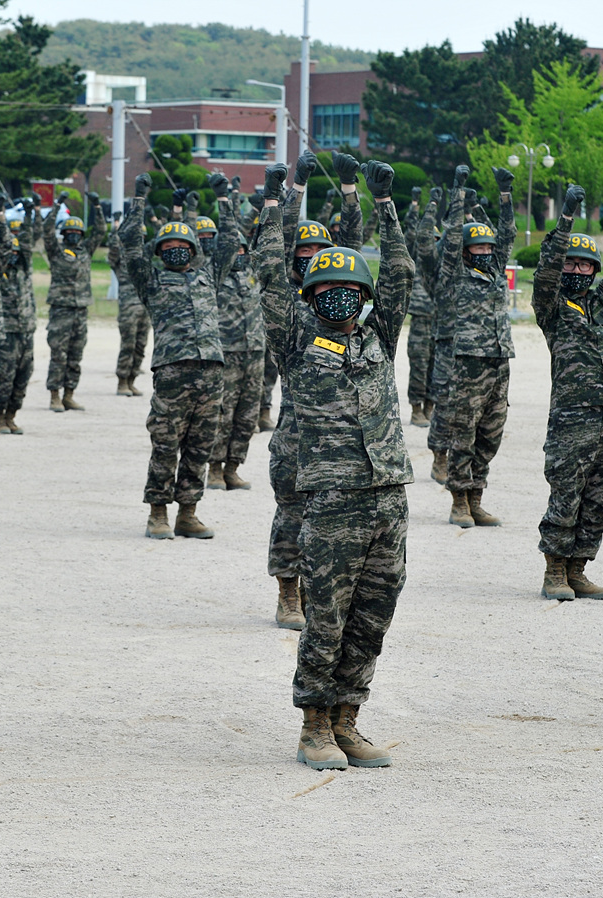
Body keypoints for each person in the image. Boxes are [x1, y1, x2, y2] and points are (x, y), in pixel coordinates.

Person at [257, 158, 411, 770]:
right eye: (323, 289)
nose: (337, 296)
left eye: (347, 287)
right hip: (332, 501)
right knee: (326, 618)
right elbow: (271, 274)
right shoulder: (296, 339)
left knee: (375, 614)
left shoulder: (379, 336)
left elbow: (398, 271)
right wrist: (282, 201)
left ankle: (349, 719)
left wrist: (381, 203)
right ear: (310, 298)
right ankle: (313, 727)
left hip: (388, 500)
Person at [263, 149, 362, 628]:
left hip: (345, 431)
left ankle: (324, 593)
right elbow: (273, 249)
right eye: (302, 253)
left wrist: (350, 193)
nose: (309, 258)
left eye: (317, 252)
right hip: (298, 431)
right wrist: (293, 190)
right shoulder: (289, 307)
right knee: (292, 514)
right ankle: (287, 591)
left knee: (339, 521)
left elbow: (354, 244)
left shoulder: (343, 306)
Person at [532, 182, 603, 600]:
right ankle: (554, 570)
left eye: (585, 266)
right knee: (567, 492)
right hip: (572, 420)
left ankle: (578, 567)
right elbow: (544, 271)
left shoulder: (599, 303)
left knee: (599, 496)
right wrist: (565, 221)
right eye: (571, 265)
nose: (578, 272)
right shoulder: (551, 308)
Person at [119, 173, 226, 540]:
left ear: (194, 248)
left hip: (211, 374)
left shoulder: (208, 276)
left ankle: (189, 513)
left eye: (182, 243)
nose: (175, 249)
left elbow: (229, 243)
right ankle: (158, 513)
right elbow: (130, 244)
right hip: (172, 373)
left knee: (200, 447)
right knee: (165, 445)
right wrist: (138, 199)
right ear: (160, 252)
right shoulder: (151, 280)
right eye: (168, 245)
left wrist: (223, 199)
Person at [437, 165, 517, 528]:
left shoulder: (497, 271)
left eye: (488, 246)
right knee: (463, 433)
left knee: (491, 435)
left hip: (500, 362)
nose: (486, 251)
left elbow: (508, 234)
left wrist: (505, 197)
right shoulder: (454, 273)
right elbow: (453, 236)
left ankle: (476, 497)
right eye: (479, 247)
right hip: (468, 363)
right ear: (466, 252)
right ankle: (458, 500)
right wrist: (458, 193)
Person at [207, 176, 264, 492]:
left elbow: (272, 239)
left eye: (246, 248)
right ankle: (214, 468)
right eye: (237, 249)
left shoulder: (255, 274)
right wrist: (226, 200)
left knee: (247, 416)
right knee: (223, 413)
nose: (241, 252)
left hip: (255, 354)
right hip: (227, 352)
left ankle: (232, 467)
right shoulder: (219, 274)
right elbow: (229, 236)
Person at [43, 193, 105, 412]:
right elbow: (47, 231)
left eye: (76, 233)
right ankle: (54, 396)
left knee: (76, 355)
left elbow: (101, 231)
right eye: (69, 232)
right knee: (58, 355)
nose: (73, 235)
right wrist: (57, 205)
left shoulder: (86, 251)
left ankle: (69, 394)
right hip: (61, 310)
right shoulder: (56, 252)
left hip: (81, 310)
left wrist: (97, 206)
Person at [0, 194, 35, 435]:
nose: (15, 255)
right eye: (12, 252)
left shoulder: (24, 270)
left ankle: (11, 415)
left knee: (23, 376)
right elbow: (1, 242)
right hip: (6, 332)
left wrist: (29, 215)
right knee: (4, 378)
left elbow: (27, 241)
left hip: (27, 330)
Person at [403, 186, 439, 428]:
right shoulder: (417, 258)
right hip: (420, 318)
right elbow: (411, 234)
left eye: (437, 240)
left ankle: (430, 406)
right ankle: (417, 408)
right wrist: (415, 205)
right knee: (419, 364)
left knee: (438, 366)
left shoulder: (444, 264)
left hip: (441, 320)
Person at [110, 210, 149, 396]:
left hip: (144, 308)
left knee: (141, 346)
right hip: (128, 308)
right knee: (128, 344)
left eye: (142, 237)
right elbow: (113, 249)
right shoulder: (122, 259)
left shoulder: (146, 258)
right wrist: (117, 226)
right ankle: (122, 382)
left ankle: (132, 379)